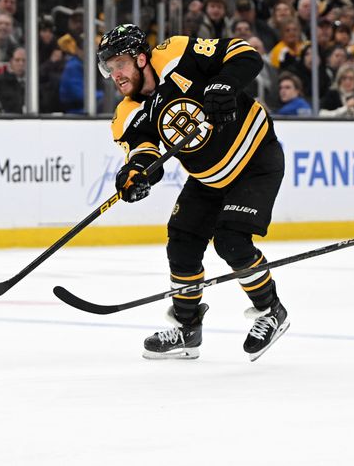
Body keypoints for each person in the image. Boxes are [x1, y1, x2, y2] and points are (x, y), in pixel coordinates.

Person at [96, 23, 289, 361]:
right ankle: (187, 329)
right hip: (208, 179)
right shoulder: (127, 113)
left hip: (256, 160)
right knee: (182, 240)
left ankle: (271, 310)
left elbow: (245, 55)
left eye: (120, 64)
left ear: (141, 58)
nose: (116, 75)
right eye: (109, 68)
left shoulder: (176, 53)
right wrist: (135, 175)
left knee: (231, 241)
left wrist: (223, 84)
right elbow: (145, 154)